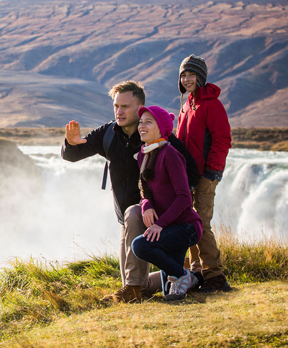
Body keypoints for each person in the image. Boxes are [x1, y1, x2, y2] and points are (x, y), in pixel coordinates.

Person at [62, 81, 198, 303]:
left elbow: (189, 170)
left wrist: (168, 204)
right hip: (125, 213)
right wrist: (71, 144)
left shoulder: (156, 134)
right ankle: (182, 276)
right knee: (132, 275)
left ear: (140, 107)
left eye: (125, 106)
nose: (119, 111)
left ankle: (137, 289)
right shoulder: (108, 133)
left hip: (155, 213)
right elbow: (71, 156)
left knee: (132, 279)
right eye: (116, 106)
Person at [130, 105, 203, 301]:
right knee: (170, 292)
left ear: (162, 128)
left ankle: (186, 275)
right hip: (168, 228)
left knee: (140, 245)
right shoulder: (144, 154)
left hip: (185, 227)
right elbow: (144, 188)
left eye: (148, 122)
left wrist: (159, 224)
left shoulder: (170, 154)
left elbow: (184, 197)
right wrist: (147, 205)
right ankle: (188, 278)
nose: (142, 126)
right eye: (140, 122)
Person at [176, 55, 232, 292]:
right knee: (192, 223)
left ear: (201, 77)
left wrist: (212, 171)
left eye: (192, 75)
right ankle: (198, 271)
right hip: (188, 175)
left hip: (206, 175)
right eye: (184, 75)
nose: (187, 79)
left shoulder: (211, 104)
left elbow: (222, 139)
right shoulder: (187, 104)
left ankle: (216, 276)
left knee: (202, 224)